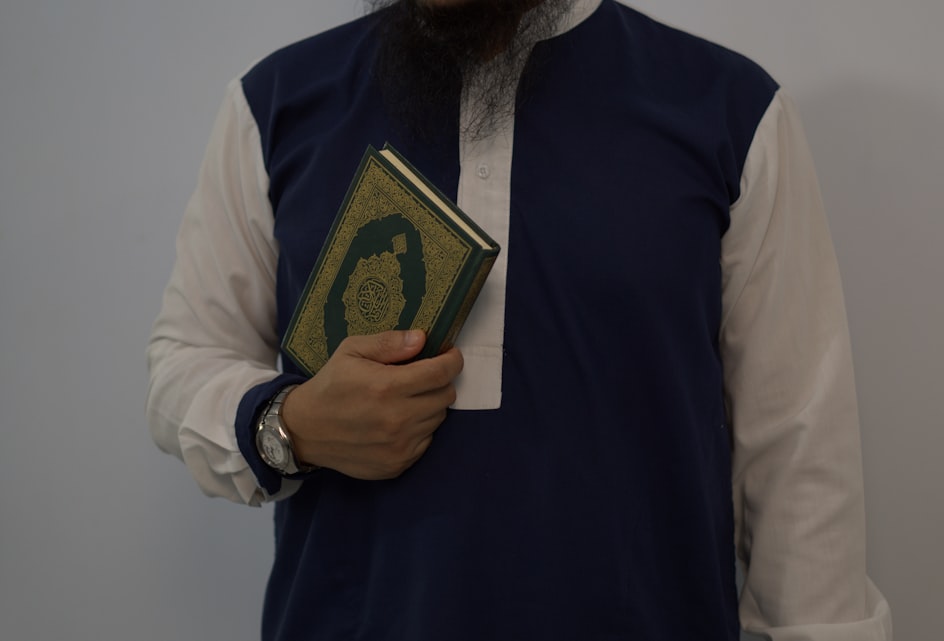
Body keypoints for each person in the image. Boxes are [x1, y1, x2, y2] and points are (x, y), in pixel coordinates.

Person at [146, 0, 893, 639]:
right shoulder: (277, 104)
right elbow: (184, 361)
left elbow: (799, 453)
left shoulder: (729, 113)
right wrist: (290, 424)